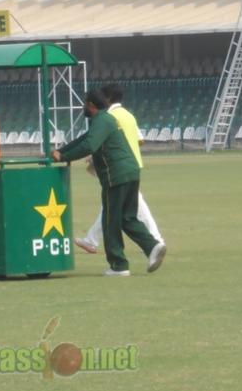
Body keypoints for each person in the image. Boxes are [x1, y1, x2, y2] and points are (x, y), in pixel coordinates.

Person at [51, 90, 166, 277]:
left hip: (116, 176)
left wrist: (63, 156)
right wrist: (61, 150)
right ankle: (153, 247)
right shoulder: (106, 120)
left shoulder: (101, 121)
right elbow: (85, 139)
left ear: (91, 105)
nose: (83, 108)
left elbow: (89, 146)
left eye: (85, 104)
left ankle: (118, 266)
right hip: (131, 172)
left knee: (110, 220)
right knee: (128, 218)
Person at [75, 84, 163, 254]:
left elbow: (105, 138)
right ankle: (91, 240)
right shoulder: (128, 115)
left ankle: (156, 241)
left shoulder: (109, 116)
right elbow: (140, 140)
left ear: (107, 99)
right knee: (113, 206)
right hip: (132, 164)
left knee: (126, 207)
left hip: (119, 167)